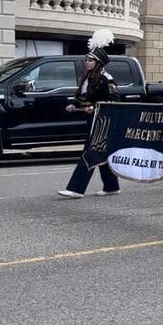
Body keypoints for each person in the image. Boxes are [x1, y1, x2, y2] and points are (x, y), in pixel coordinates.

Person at [58, 29, 122, 199]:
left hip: (101, 121)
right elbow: (83, 98)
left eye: (90, 60)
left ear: (98, 62)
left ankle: (76, 188)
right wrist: (74, 105)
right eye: (86, 59)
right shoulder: (88, 78)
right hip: (91, 120)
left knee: (90, 151)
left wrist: (95, 108)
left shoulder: (106, 79)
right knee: (100, 152)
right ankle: (111, 186)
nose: (86, 62)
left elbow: (114, 100)